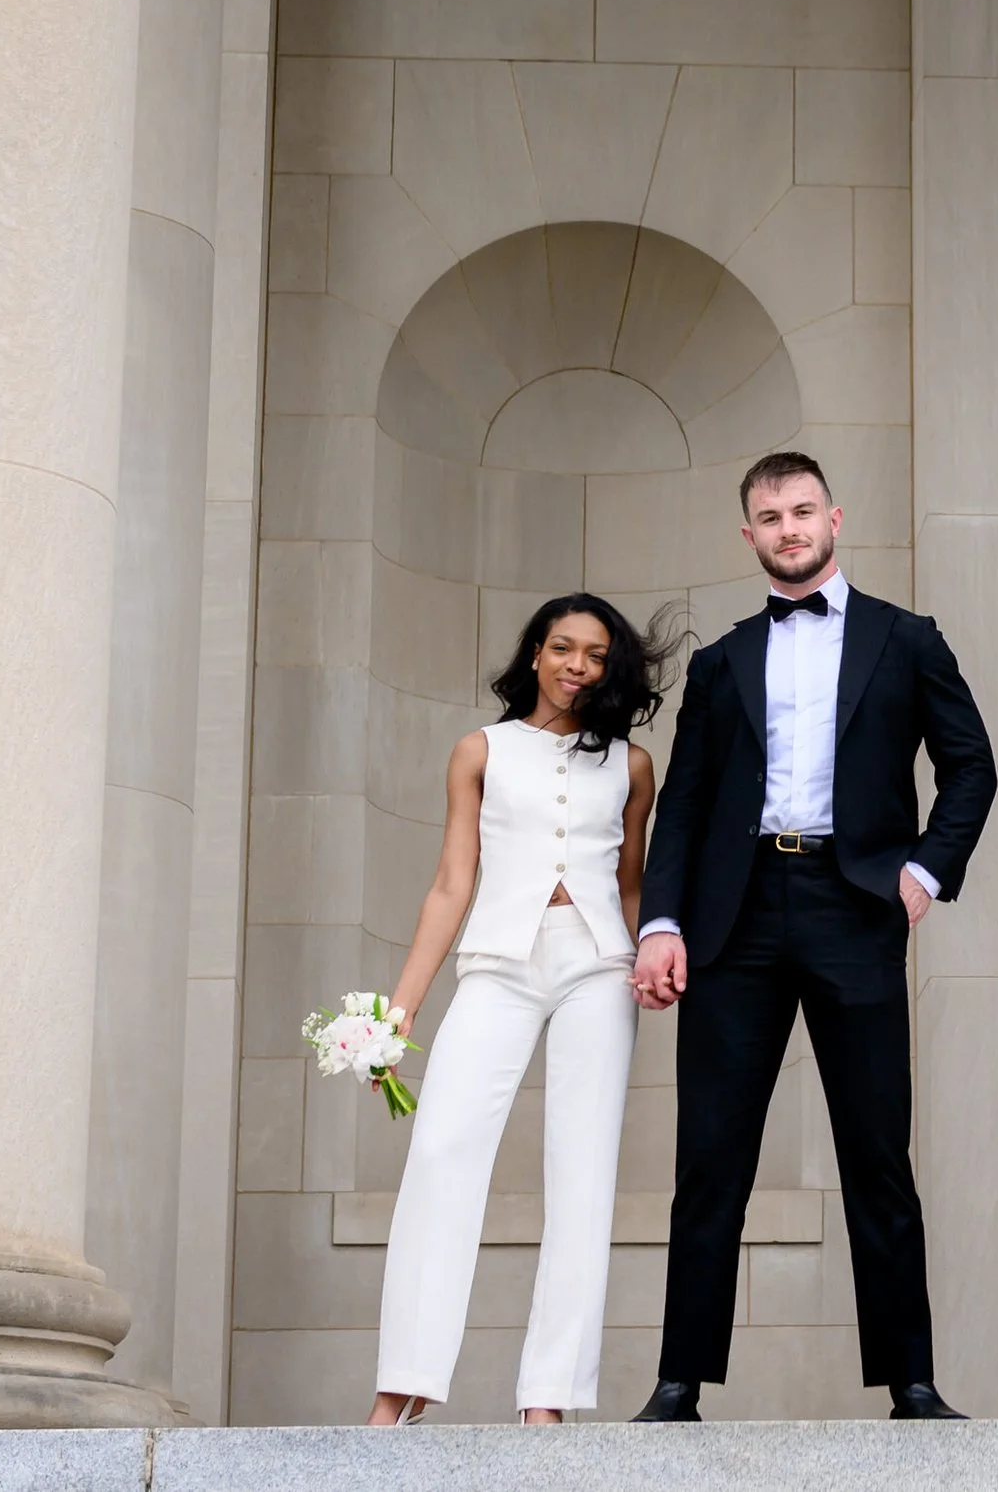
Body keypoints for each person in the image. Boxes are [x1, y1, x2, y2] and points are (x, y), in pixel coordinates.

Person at [627, 450, 996, 1423]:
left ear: (835, 516)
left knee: (876, 1150)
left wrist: (920, 874)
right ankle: (679, 1380)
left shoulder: (907, 639)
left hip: (853, 903)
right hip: (733, 915)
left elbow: (970, 768)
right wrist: (659, 922)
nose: (788, 528)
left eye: (801, 510)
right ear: (747, 534)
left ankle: (910, 1382)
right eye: (768, 515)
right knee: (710, 1156)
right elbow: (686, 807)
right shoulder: (718, 663)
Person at [367, 594, 676, 1426]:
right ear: (535, 652)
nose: (578, 664)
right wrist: (398, 1017)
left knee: (583, 1173)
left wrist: (656, 951)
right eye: (564, 647)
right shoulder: (481, 750)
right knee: (441, 1149)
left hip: (599, 965)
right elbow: (450, 883)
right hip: (500, 960)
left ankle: (551, 1397)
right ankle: (403, 1383)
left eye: (596, 653)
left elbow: (632, 884)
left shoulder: (633, 765)